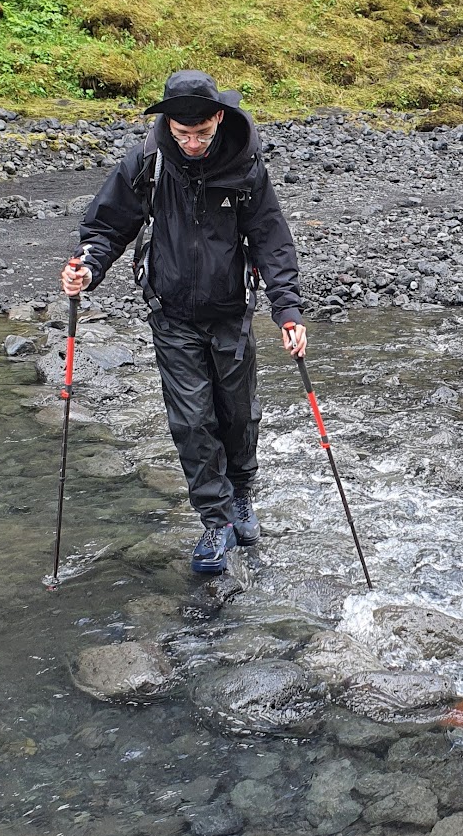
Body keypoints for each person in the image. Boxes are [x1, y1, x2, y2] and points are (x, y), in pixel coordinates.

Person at [60, 70, 306, 577]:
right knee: (191, 420)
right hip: (170, 313)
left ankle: (241, 495)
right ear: (168, 123)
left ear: (218, 117)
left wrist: (287, 310)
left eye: (201, 132)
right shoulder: (147, 162)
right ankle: (215, 522)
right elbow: (107, 226)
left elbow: (270, 239)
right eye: (181, 133)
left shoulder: (244, 165)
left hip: (230, 311)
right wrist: (87, 267)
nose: (192, 143)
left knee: (237, 415)